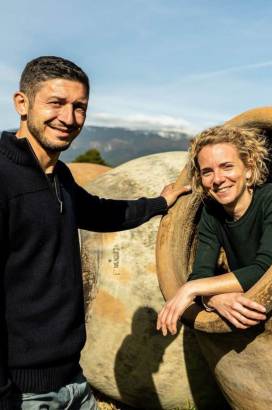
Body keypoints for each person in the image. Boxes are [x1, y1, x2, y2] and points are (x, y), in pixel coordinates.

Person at [0, 56, 189, 410]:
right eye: (56, 103)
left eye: (79, 107)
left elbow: (102, 212)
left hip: (73, 380)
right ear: (21, 103)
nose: (69, 119)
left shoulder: (59, 177)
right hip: (25, 393)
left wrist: (161, 202)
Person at [157, 126, 272, 335]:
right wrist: (215, 298)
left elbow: (265, 269)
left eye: (227, 166)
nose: (218, 179)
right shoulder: (212, 212)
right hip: (245, 313)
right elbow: (201, 272)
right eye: (207, 171)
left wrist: (191, 289)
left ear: (249, 169)